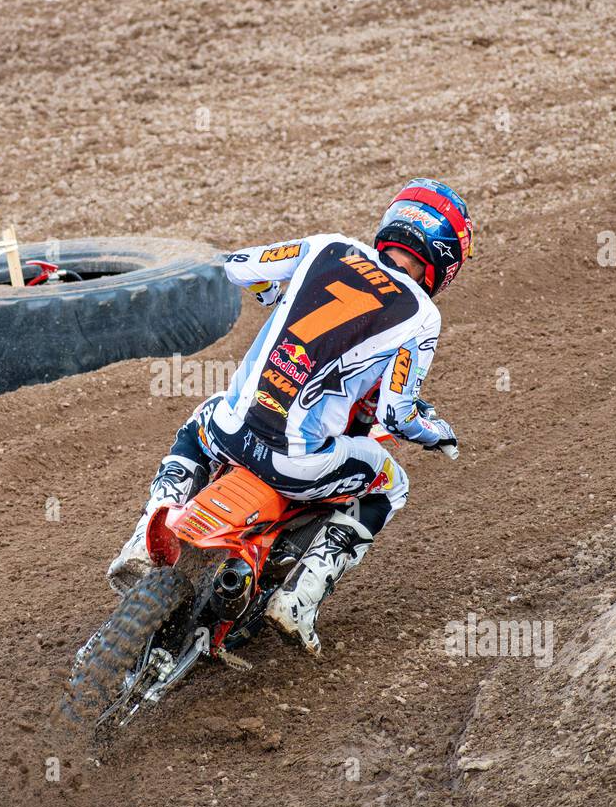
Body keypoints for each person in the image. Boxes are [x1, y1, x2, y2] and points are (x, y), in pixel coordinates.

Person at [108, 178, 473, 656]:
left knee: (199, 422)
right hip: (295, 462)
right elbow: (395, 412)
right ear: (446, 261)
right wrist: (438, 434)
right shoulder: (422, 315)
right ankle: (301, 596)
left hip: (231, 432)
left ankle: (143, 537)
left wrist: (273, 294)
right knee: (390, 484)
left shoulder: (329, 247)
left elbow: (238, 267)